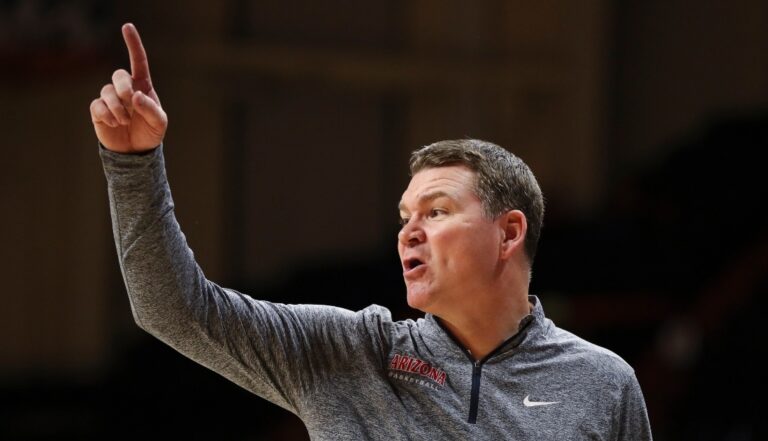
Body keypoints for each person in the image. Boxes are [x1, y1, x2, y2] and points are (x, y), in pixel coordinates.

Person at [91, 23, 653, 440]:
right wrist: (134, 163)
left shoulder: (603, 385)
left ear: (508, 234)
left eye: (435, 211)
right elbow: (171, 310)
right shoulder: (349, 352)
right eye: (404, 217)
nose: (409, 232)